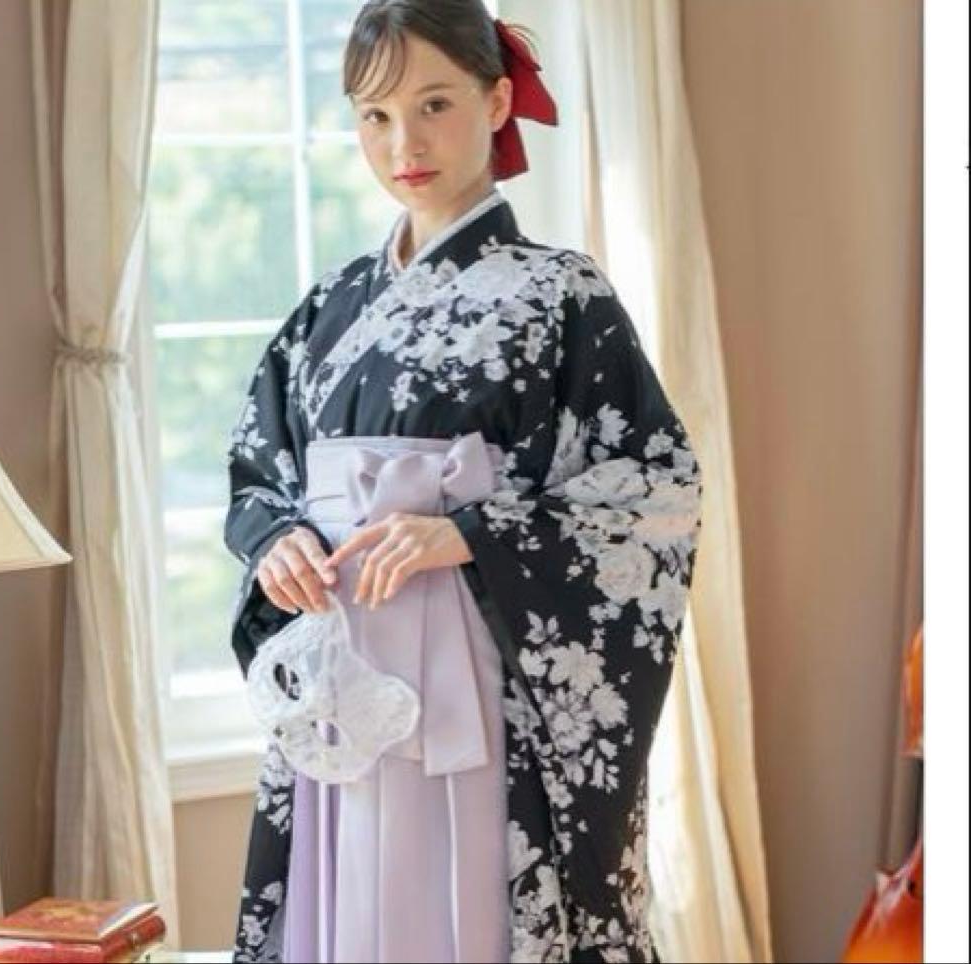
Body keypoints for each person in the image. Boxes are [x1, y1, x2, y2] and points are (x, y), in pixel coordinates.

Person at [224, 2, 703, 961]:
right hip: (344, 673)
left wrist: (471, 533)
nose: (404, 143)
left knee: (468, 906)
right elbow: (258, 471)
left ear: (495, 103)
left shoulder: (562, 293)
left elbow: (657, 489)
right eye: (375, 115)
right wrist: (278, 541)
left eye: (434, 104)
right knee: (346, 902)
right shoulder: (327, 308)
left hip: (479, 670)